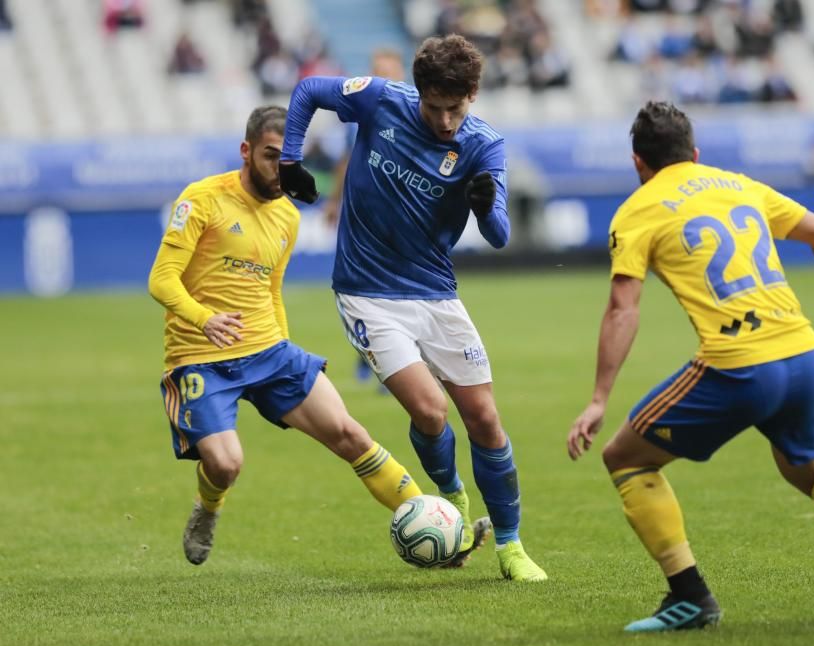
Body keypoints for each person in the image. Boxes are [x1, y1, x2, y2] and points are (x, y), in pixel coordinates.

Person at [566, 102, 814, 632]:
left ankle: (691, 597)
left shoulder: (639, 210)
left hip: (738, 366)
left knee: (627, 459)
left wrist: (598, 399)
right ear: (696, 153)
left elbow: (623, 309)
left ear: (638, 162)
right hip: (802, 353)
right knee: (811, 469)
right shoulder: (737, 184)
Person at [278, 35, 547, 581]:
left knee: (486, 419)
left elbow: (498, 236)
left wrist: (484, 208)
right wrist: (289, 160)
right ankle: (451, 499)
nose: (446, 120)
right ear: (419, 92)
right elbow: (308, 91)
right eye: (435, 107)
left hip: (436, 293)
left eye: (457, 107)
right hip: (367, 292)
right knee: (429, 410)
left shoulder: (483, 145)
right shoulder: (380, 100)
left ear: (472, 96)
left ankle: (512, 548)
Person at [148, 106, 423, 565]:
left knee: (350, 433)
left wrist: (284, 347)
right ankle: (207, 507)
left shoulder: (288, 218)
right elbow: (162, 279)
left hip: (270, 352)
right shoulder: (202, 199)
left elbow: (271, 290)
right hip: (201, 356)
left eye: (287, 159)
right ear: (246, 151)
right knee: (225, 463)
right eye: (270, 156)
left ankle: (434, 521)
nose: (280, 169)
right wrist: (204, 318)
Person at [321, 48, 407, 391]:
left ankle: (397, 361)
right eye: (376, 70)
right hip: (364, 215)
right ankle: (370, 356)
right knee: (367, 287)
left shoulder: (419, 112)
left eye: (387, 70)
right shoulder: (361, 113)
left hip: (402, 216)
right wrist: (333, 202)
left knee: (400, 287)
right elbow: (346, 160)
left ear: (401, 72)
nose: (381, 76)